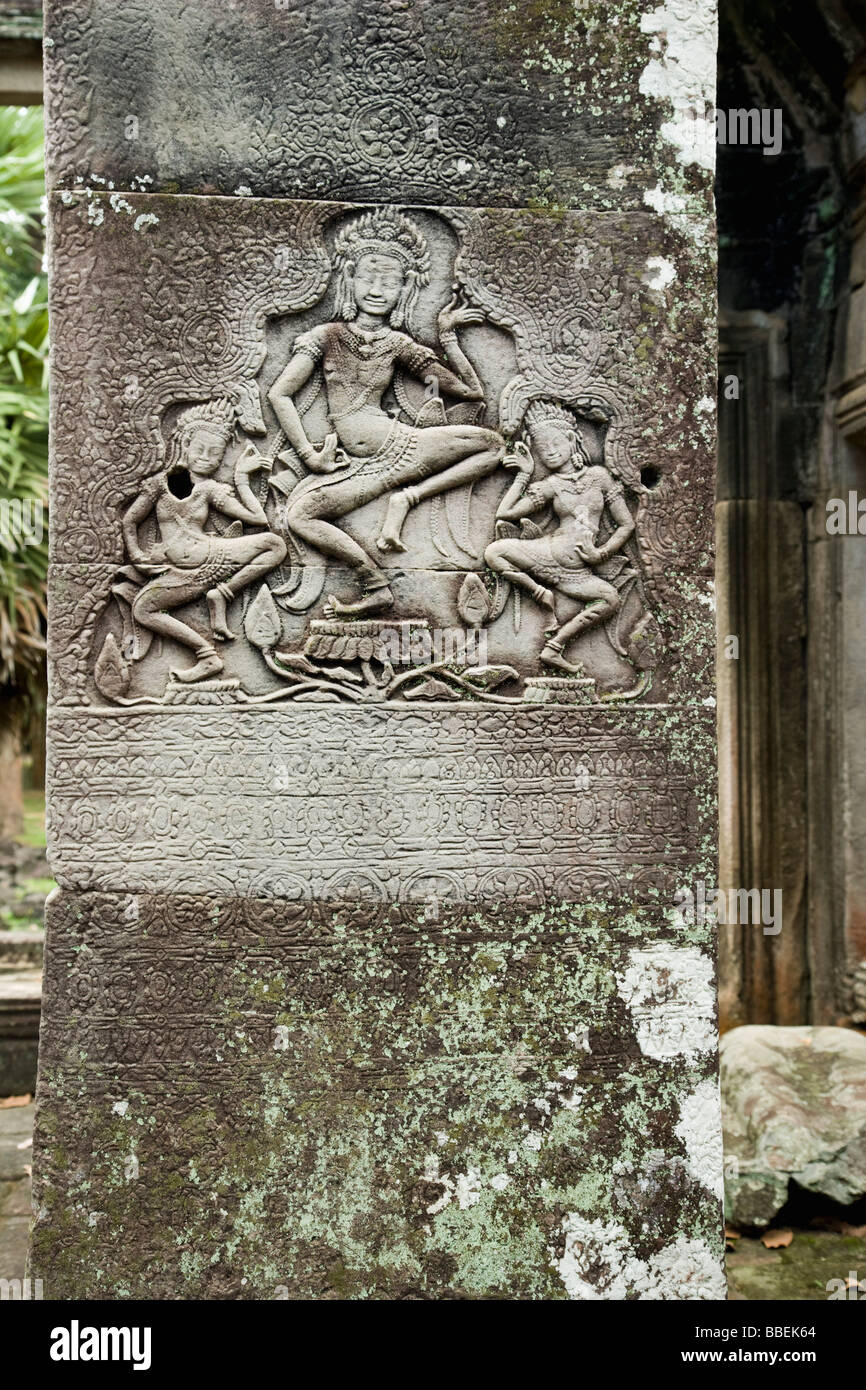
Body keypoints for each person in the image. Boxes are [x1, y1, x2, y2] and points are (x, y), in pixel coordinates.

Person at [267, 208, 505, 616]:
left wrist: (448, 336)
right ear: (350, 280)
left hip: (399, 447)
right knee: (299, 517)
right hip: (359, 465)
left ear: (404, 290)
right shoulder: (326, 336)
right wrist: (310, 456)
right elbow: (279, 394)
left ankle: (408, 499)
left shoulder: (399, 345)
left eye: (390, 282)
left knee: (493, 446)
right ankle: (375, 585)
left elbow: (471, 393)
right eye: (368, 278)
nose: (377, 290)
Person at [120, 399, 286, 683]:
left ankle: (223, 594)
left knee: (274, 544)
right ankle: (207, 656)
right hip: (177, 572)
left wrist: (241, 478)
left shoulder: (209, 489)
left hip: (212, 558)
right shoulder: (159, 485)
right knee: (142, 610)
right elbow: (130, 521)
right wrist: (136, 555)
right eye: (200, 449)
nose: (206, 457)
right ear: (185, 445)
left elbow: (256, 519)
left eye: (216, 453)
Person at [484, 401, 636, 675]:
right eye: (543, 448)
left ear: (570, 439)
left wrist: (601, 554)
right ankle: (540, 593)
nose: (550, 451)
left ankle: (554, 647)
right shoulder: (551, 485)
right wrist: (524, 474)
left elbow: (627, 525)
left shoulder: (599, 477)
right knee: (495, 552)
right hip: (547, 555)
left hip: (577, 572)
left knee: (610, 599)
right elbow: (504, 514)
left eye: (555, 443)